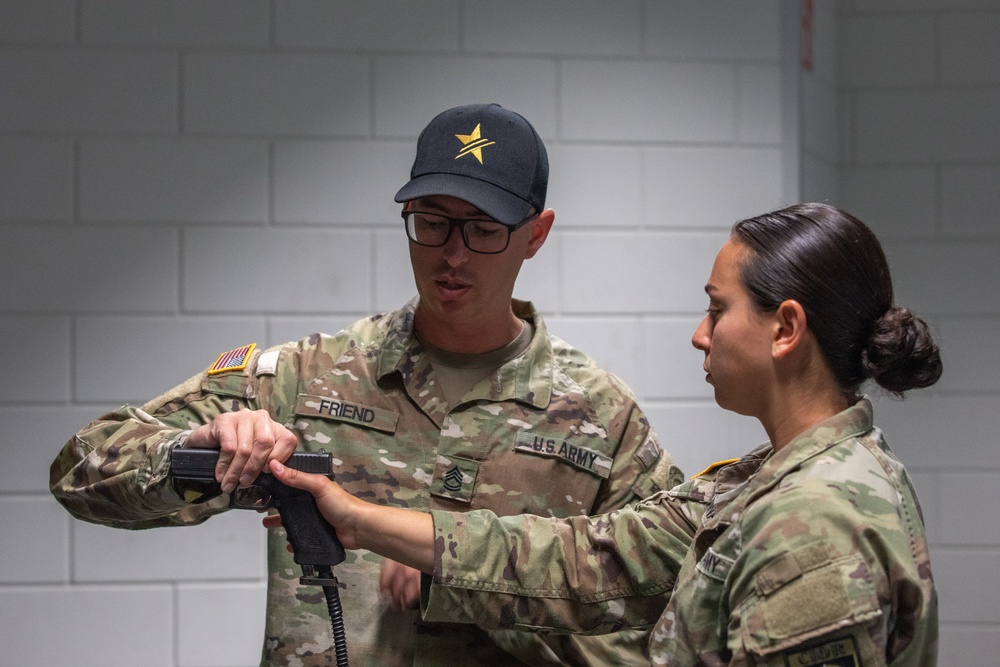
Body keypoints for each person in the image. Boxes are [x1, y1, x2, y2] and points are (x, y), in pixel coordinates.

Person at [49, 103, 683, 667]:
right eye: (432, 222)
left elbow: (671, 611)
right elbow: (81, 470)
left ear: (535, 236)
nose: (452, 255)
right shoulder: (304, 377)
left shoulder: (600, 417)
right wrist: (197, 447)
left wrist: (467, 586)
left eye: (483, 230)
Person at [267, 203, 942, 666]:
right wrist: (359, 520)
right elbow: (588, 557)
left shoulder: (815, 525)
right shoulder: (770, 484)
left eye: (718, 307)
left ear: (786, 328)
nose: (700, 333)